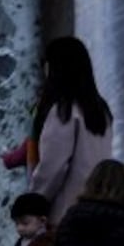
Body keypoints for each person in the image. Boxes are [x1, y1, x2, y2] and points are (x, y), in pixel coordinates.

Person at [30, 37, 113, 227]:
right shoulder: (101, 110)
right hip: (99, 211)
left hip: (67, 215)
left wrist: (32, 203)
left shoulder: (64, 111)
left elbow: (53, 167)